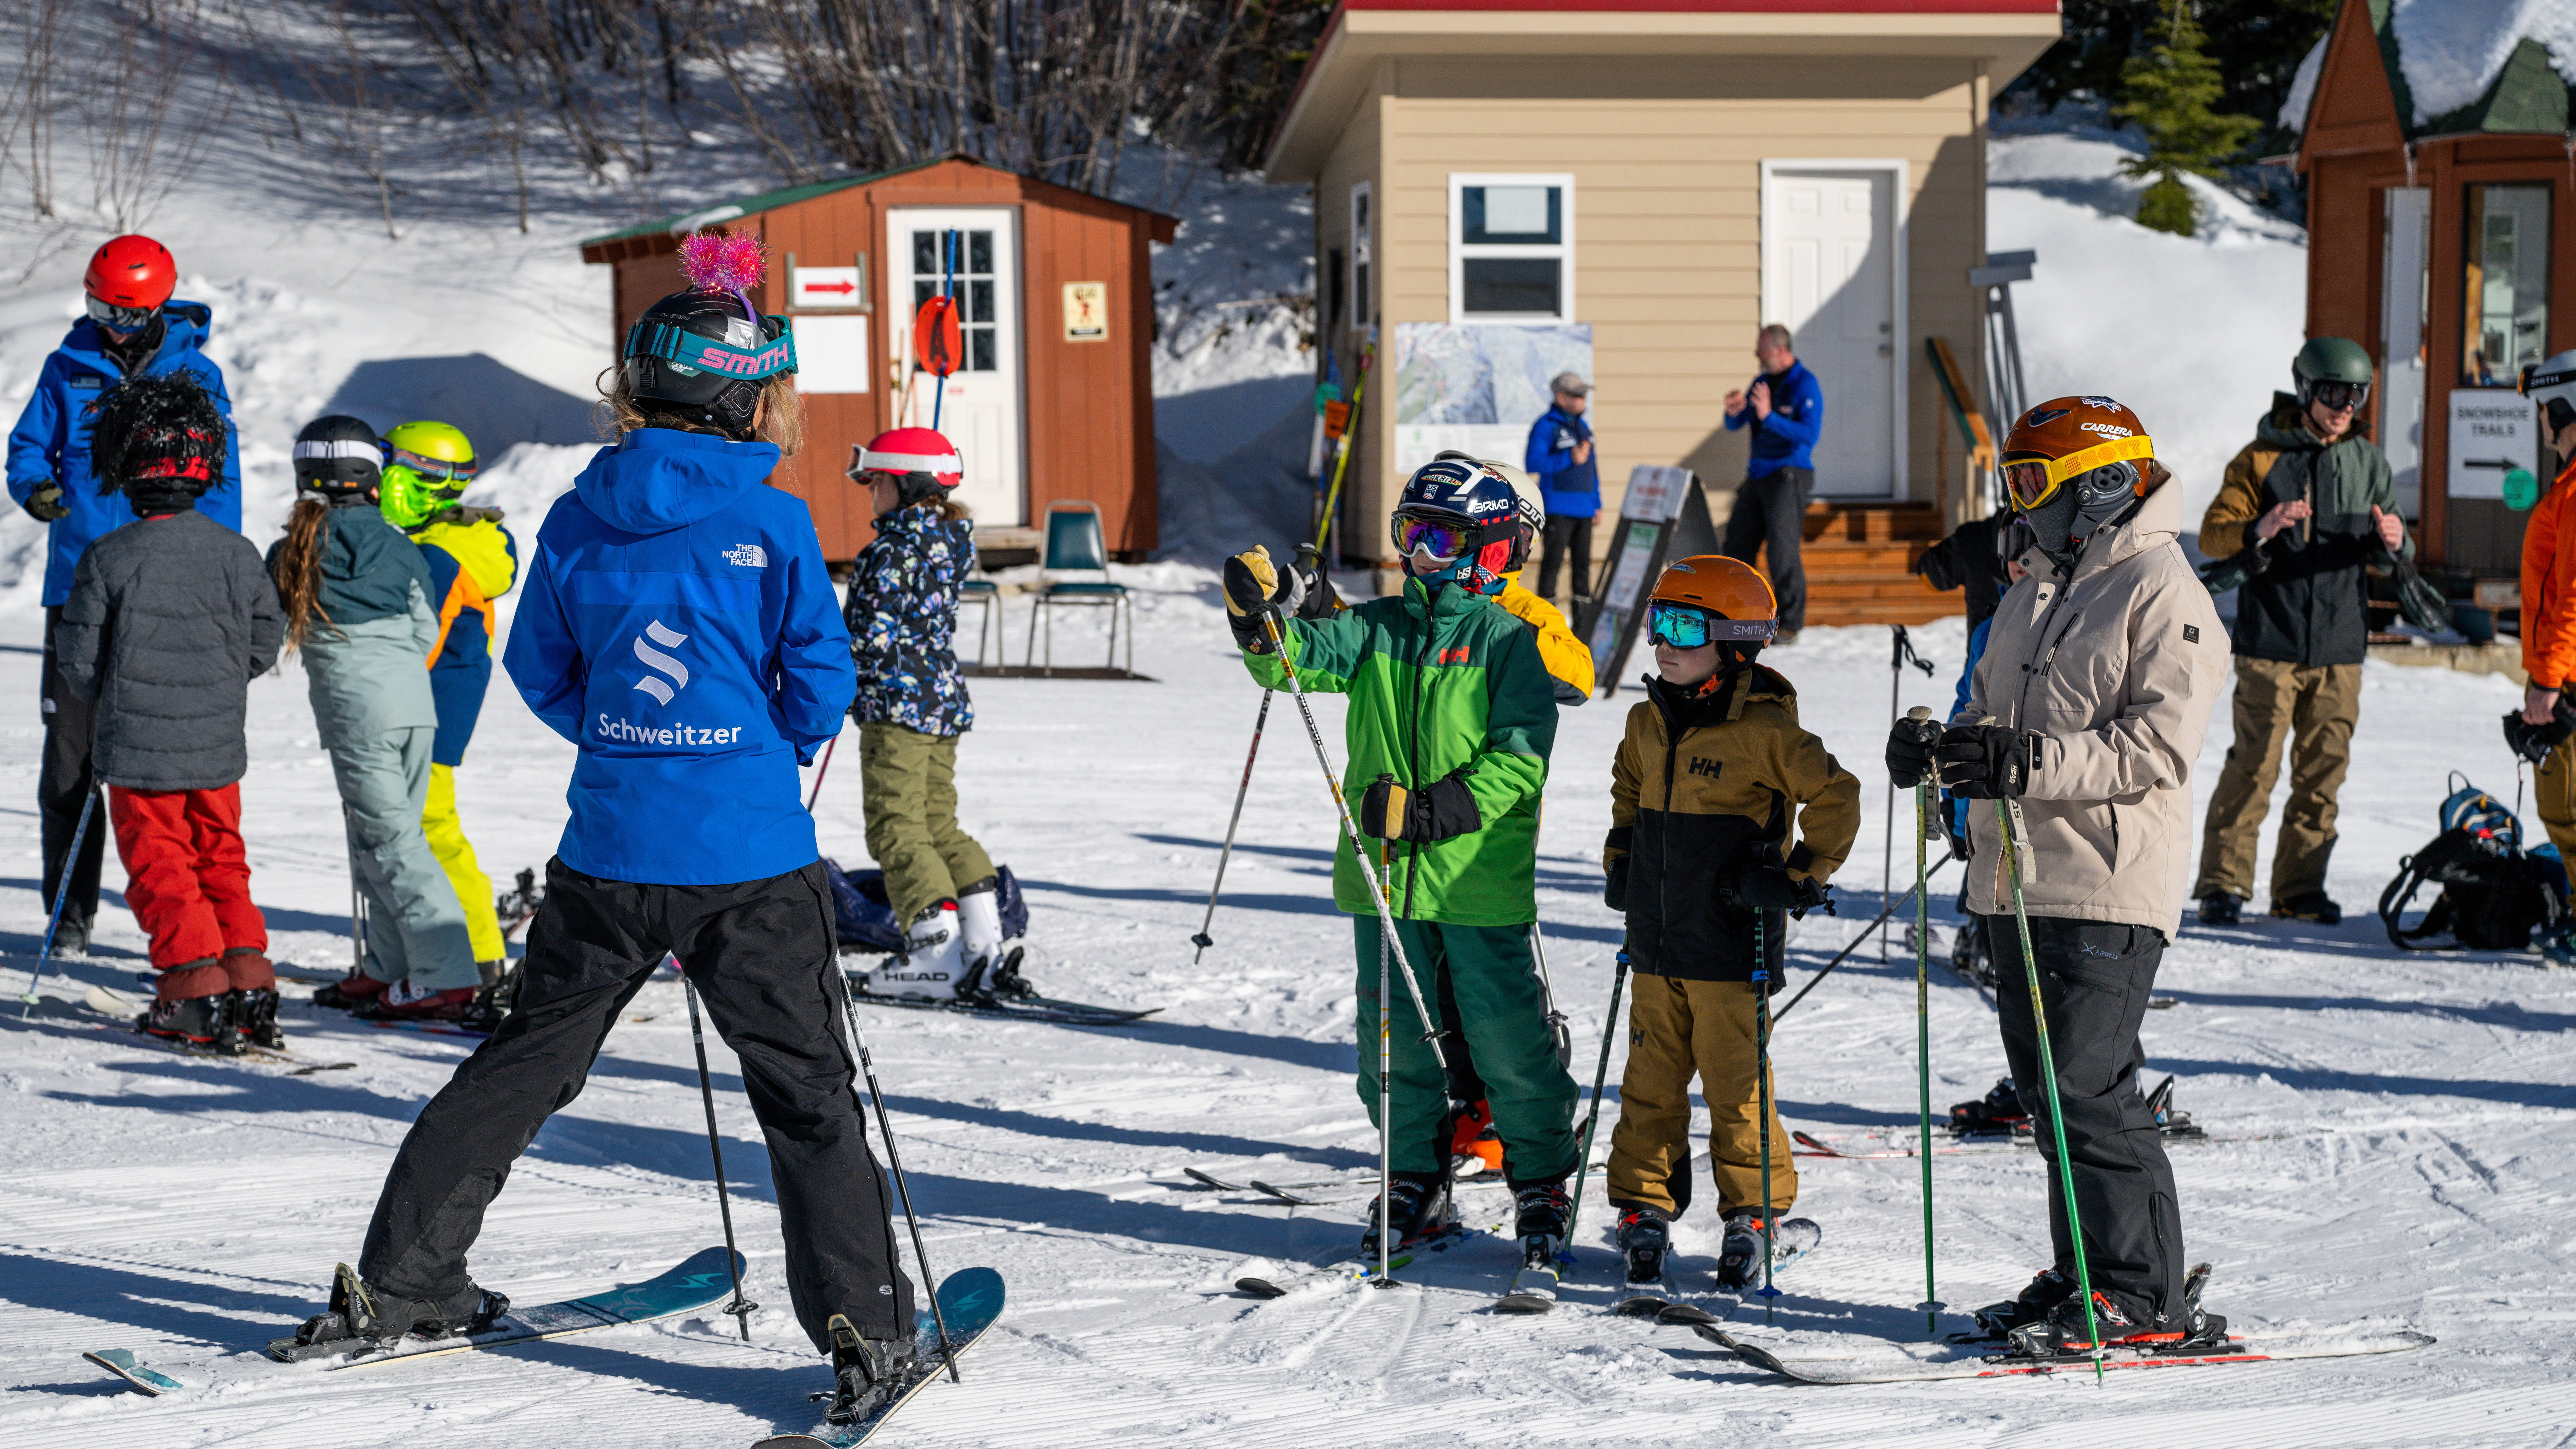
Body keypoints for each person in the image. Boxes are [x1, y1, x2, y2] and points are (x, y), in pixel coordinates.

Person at [286, 234, 927, 1425]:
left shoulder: (579, 515)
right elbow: (820, 682)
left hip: (610, 853)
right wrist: (747, 742)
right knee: (803, 1093)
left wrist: (628, 733)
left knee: (523, 1063)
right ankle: (866, 1330)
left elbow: (543, 668)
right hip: (746, 857)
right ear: (747, 394)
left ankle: (402, 1278)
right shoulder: (778, 519)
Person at [1886, 394, 2228, 1353]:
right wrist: (1941, 748)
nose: (2018, 504)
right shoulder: (2036, 586)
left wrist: (2024, 764)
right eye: (2013, 484)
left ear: (2102, 487)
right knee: (2046, 1093)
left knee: (2090, 1089)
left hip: (2105, 879)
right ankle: (2089, 1266)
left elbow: (2156, 747)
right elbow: (1992, 715)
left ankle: (2143, 1292)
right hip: (2016, 878)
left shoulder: (2163, 591)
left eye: (2033, 484)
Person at [1222, 455, 1576, 1281]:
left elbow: (1521, 760)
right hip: (1383, 882)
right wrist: (1258, 616)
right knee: (1393, 1044)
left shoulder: (1508, 644)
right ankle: (1414, 1170)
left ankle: (1541, 1178)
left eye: (1436, 536)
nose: (1417, 551)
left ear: (1488, 550)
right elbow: (1291, 662)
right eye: (1407, 533)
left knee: (1506, 1037)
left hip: (1474, 877)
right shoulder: (1378, 627)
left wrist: (1429, 812)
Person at [1601, 555, 1858, 1289]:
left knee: (1735, 1086)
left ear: (1735, 640)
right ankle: (1641, 1207)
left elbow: (1837, 796)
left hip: (1728, 947)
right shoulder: (1646, 720)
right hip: (1653, 943)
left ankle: (1753, 1212)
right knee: (1647, 1082)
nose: (1663, 643)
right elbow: (1626, 784)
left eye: (1684, 626)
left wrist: (1799, 875)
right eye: (1658, 623)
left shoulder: (1765, 733)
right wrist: (1622, 852)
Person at [8, 235, 242, 958]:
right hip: (78, 588)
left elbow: (223, 479)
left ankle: (198, 927)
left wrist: (208, 569)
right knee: (69, 761)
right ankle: (69, 914)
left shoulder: (195, 373)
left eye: (123, 310)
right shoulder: (66, 366)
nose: (107, 319)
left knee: (167, 763)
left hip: (162, 592)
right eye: (96, 303)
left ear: (156, 307)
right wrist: (35, 488)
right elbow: (25, 449)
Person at [52, 372, 282, 1051]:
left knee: (162, 864)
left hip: (139, 751)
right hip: (216, 747)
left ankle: (192, 987)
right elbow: (264, 639)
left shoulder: (109, 556)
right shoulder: (236, 554)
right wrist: (216, 680)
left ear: (127, 471)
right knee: (222, 857)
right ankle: (248, 976)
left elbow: (80, 658)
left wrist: (120, 692)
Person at [2190, 337, 2406, 926]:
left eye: (2355, 394)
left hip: (2340, 648)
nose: (2345, 405)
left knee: (2323, 772)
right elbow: (2212, 535)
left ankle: (2300, 888)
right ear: (2307, 390)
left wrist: (2395, 545)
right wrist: (2259, 525)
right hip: (2272, 643)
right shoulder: (2259, 458)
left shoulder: (2369, 463)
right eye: (2334, 392)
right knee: (2253, 766)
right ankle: (2223, 884)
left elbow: (2392, 555)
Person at [271, 416, 480, 1020]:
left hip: (357, 713)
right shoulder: (402, 545)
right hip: (414, 706)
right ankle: (389, 965)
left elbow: (276, 629)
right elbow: (422, 629)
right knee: (384, 838)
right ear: (373, 475)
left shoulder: (294, 550)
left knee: (391, 844)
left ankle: (446, 975)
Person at [843, 426, 1013, 1001]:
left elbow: (870, 636)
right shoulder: (948, 539)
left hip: (897, 704)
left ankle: (934, 951)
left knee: (897, 825)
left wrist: (834, 666)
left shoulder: (890, 551)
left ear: (906, 484)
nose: (870, 493)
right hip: (941, 700)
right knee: (938, 820)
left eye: (877, 482)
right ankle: (984, 940)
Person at [379, 420, 521, 1003]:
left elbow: (419, 642)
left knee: (431, 828)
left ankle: (480, 955)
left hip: (429, 707)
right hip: (443, 702)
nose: (384, 485)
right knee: (428, 825)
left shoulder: (441, 554)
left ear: (425, 481)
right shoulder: (453, 542)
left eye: (394, 472)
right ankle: (464, 949)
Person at [2515, 349, 2576, 963]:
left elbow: (2574, 595)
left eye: (2543, 411)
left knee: (2568, 809)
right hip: (2566, 671)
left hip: (2570, 678)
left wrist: (2548, 680)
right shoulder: (2568, 486)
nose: (2540, 424)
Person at [1721, 324, 1823, 644]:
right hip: (1758, 474)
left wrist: (1769, 417)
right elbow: (1742, 422)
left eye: (1761, 351)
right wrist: (1735, 413)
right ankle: (1737, 616)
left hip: (1789, 473)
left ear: (1779, 351)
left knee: (1782, 551)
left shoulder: (1805, 385)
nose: (1757, 355)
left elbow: (1809, 435)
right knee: (1737, 546)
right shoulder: (1762, 382)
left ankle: (1790, 624)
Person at [1524, 372, 1599, 607]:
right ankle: (1545, 624)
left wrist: (1598, 504)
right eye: (1577, 395)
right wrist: (1569, 458)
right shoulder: (1546, 425)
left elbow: (1592, 469)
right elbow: (1533, 463)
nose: (1583, 399)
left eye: (1584, 395)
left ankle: (1582, 628)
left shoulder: (1583, 427)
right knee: (1552, 566)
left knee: (1583, 569)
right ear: (1561, 397)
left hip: (1585, 509)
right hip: (1558, 508)